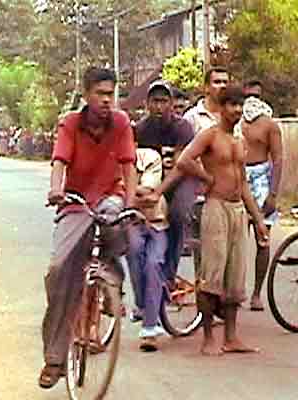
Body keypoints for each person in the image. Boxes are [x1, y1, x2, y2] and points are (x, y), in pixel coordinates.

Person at [39, 67, 137, 389]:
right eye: (101, 94)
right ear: (86, 96)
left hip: (110, 197)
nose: (108, 100)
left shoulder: (121, 123)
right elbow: (59, 162)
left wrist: (131, 203)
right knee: (58, 271)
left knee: (118, 225)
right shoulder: (70, 123)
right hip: (76, 201)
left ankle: (110, 286)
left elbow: (128, 166)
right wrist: (56, 189)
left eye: (112, 94)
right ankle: (54, 361)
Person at [161, 86, 269, 356]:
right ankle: (209, 336)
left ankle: (231, 337)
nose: (236, 110)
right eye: (232, 104)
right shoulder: (209, 136)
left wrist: (258, 219)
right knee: (211, 276)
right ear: (221, 108)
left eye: (240, 105)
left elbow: (243, 183)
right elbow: (184, 160)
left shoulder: (239, 140)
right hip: (215, 208)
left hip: (237, 210)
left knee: (235, 277)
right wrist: (206, 178)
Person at [133, 80, 196, 309]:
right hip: (153, 180)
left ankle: (168, 275)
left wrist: (159, 192)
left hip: (181, 179)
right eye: (154, 101)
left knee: (178, 214)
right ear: (147, 104)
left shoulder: (182, 128)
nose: (159, 106)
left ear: (171, 104)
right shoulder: (140, 129)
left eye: (163, 101)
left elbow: (180, 166)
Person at [237, 87, 284, 312]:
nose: (251, 100)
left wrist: (273, 194)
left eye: (256, 94)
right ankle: (235, 291)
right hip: (237, 176)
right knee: (235, 238)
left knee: (262, 237)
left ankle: (257, 293)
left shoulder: (269, 125)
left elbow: (278, 158)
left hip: (261, 180)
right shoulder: (235, 122)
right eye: (248, 95)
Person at [128, 148, 169, 352]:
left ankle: (150, 327)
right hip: (131, 223)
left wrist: (126, 196)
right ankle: (143, 306)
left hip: (157, 222)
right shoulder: (110, 159)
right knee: (134, 252)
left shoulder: (149, 157)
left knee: (153, 264)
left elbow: (148, 193)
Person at [182, 67, 229, 135]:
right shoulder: (192, 117)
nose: (223, 86)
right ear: (206, 87)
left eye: (225, 82)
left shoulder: (234, 115)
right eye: (217, 82)